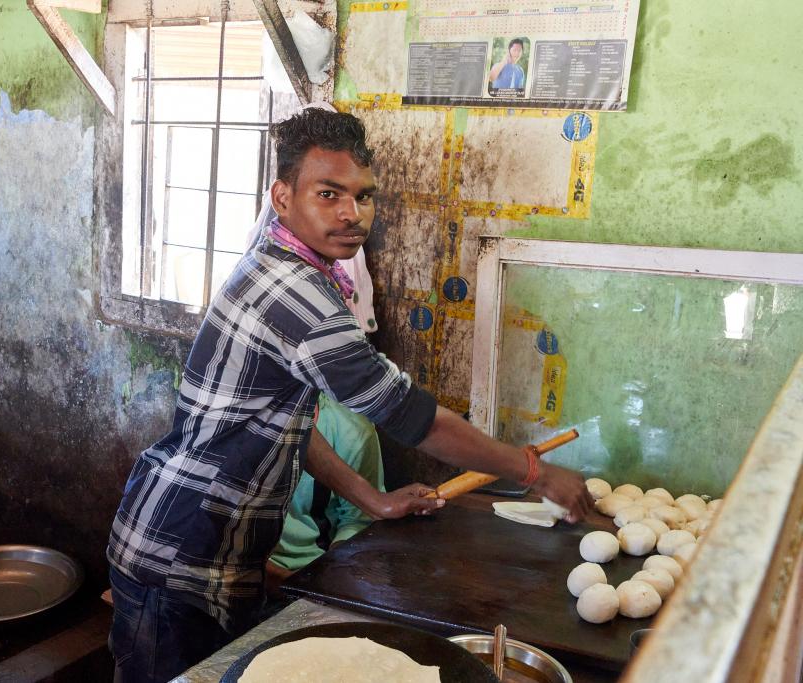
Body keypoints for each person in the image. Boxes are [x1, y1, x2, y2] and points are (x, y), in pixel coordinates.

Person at [106, 108, 592, 683]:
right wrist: (532, 472)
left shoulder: (283, 257)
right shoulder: (298, 296)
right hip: (178, 554)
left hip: (211, 550)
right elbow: (414, 419)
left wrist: (371, 499)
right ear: (282, 197)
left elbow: (289, 423)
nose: (351, 213)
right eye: (329, 194)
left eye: (363, 197)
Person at [265, 392, 385, 596]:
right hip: (239, 574)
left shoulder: (350, 430)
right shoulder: (228, 422)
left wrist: (333, 570)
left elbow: (357, 520)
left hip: (315, 570)